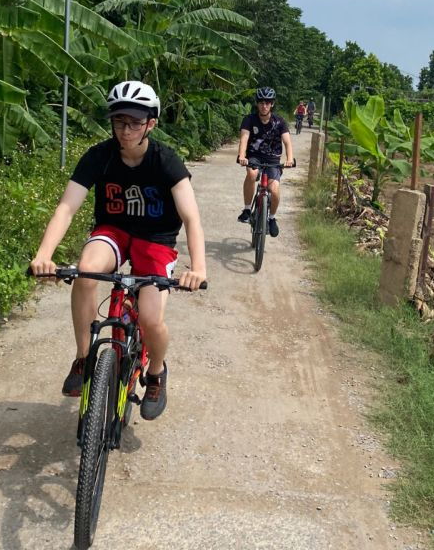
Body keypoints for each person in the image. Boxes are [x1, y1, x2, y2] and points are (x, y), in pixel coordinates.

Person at [30, 80, 206, 421]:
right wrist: (44, 254)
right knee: (85, 271)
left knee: (152, 318)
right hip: (113, 231)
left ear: (151, 124)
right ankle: (84, 358)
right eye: (119, 121)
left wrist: (198, 268)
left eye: (135, 122)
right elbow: (67, 208)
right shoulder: (99, 156)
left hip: (156, 239)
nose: (126, 130)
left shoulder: (166, 161)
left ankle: (155, 374)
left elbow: (191, 217)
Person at [236, 87, 294, 237]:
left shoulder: (279, 121)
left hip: (273, 159)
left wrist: (289, 159)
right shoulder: (249, 120)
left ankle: (272, 218)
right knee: (251, 174)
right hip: (254, 156)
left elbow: (287, 142)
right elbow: (244, 139)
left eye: (268, 102)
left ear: (272, 104)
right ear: (257, 104)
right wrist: (242, 156)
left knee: (274, 189)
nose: (264, 105)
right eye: (261, 102)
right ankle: (248, 209)